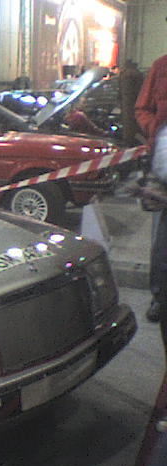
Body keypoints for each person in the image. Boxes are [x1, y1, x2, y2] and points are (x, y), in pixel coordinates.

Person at [135, 54, 167, 333]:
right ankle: (159, 297)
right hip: (164, 164)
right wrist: (155, 128)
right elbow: (142, 108)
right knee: (161, 243)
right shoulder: (161, 66)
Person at [119, 59, 145, 147]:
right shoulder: (137, 74)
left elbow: (120, 93)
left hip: (127, 105)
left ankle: (128, 143)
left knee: (128, 128)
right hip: (136, 104)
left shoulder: (123, 74)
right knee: (135, 127)